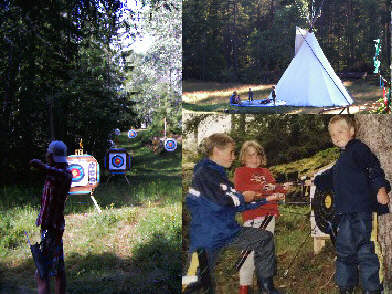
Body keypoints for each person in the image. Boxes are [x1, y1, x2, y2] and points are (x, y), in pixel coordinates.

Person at [186, 133, 284, 294]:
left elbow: (236, 203)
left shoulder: (219, 174)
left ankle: (267, 288)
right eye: (231, 152)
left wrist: (265, 201)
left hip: (229, 231)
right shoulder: (204, 173)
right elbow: (225, 201)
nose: (233, 157)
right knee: (194, 281)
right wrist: (243, 197)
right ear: (217, 151)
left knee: (265, 238)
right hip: (206, 235)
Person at [315, 115, 390, 294]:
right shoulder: (342, 159)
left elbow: (373, 168)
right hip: (345, 214)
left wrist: (380, 188)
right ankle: (346, 287)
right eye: (333, 134)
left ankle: (372, 289)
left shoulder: (359, 149)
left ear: (352, 131)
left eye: (340, 132)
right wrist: (316, 180)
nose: (336, 136)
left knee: (366, 251)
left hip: (362, 212)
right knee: (344, 250)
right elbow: (330, 176)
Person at [234, 140, 286, 294]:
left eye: (257, 155)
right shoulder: (240, 172)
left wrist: (283, 189)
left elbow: (275, 188)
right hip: (253, 217)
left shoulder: (266, 173)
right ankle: (245, 287)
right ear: (243, 157)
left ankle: (265, 285)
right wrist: (265, 190)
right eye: (250, 155)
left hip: (269, 216)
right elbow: (243, 192)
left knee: (266, 252)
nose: (254, 158)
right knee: (248, 252)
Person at [29, 141, 73, 294]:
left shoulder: (64, 174)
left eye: (48, 153)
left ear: (51, 155)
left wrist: (42, 166)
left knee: (42, 272)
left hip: (51, 228)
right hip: (53, 227)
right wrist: (44, 167)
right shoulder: (58, 172)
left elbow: (59, 174)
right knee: (58, 268)